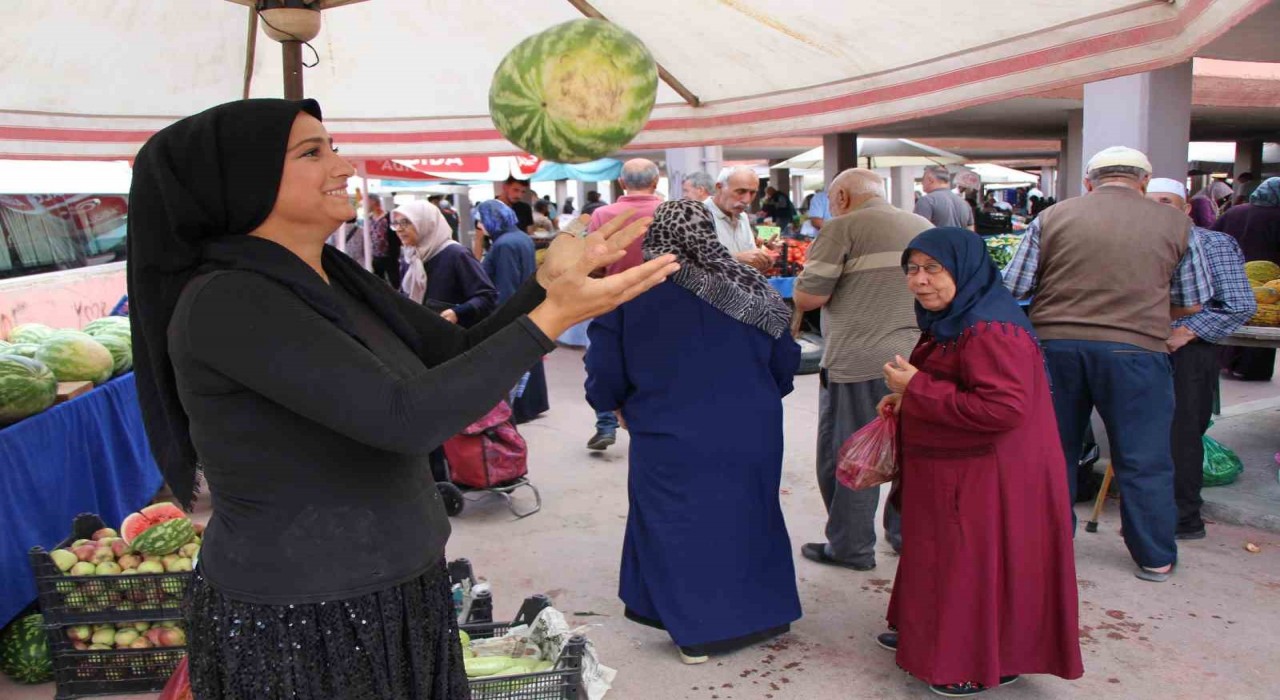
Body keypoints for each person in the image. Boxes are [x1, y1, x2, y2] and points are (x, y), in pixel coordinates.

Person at [126, 98, 679, 700]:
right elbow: (403, 417)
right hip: (305, 611)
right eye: (313, 152)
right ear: (237, 182)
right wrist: (550, 320)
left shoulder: (330, 274)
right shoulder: (228, 300)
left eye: (332, 145)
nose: (343, 165)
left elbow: (455, 352)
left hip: (393, 584)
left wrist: (545, 288)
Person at [585, 199, 801, 666]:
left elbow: (603, 366)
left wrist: (614, 404)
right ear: (710, 233)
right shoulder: (751, 287)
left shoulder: (632, 292)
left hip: (669, 430)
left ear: (655, 238)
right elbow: (786, 361)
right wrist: (754, 399)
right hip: (751, 429)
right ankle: (765, 615)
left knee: (680, 525)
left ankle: (699, 632)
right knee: (749, 516)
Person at [876, 227, 1083, 697]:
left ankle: (977, 660)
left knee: (970, 563)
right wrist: (907, 401)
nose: (920, 281)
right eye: (912, 270)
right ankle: (931, 634)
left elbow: (1003, 408)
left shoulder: (991, 329)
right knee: (943, 557)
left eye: (933, 269)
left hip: (990, 474)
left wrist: (918, 389)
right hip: (958, 464)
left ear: (965, 271)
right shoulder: (959, 316)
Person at [1004, 146, 1212, 582]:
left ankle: (1048, 547)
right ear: (1143, 183)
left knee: (1050, 451)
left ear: (1088, 182)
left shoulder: (1052, 216)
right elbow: (1192, 301)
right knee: (1144, 456)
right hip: (1137, 351)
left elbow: (1016, 286)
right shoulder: (1177, 224)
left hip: (1055, 348)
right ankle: (1154, 555)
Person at [793, 168, 929, 571]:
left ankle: (851, 547)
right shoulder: (921, 224)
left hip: (858, 360)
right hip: (914, 359)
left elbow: (810, 295)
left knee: (852, 457)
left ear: (842, 198)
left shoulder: (842, 227)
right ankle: (906, 537)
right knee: (911, 453)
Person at [1146, 178, 1256, 540]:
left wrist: (1186, 332)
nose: (1158, 207)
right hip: (1142, 347)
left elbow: (1239, 304)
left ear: (1186, 208)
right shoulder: (1137, 243)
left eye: (1166, 200)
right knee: (1144, 433)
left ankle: (1183, 518)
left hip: (1188, 352)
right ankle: (1148, 512)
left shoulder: (1213, 244)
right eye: (1151, 201)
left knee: (1181, 435)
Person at [581, 159, 667, 451]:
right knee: (658, 360)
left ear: (621, 183)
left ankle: (606, 422)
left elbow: (591, 265)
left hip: (613, 299)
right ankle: (652, 419)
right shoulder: (670, 212)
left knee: (605, 360)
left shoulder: (602, 215)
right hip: (664, 301)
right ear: (656, 182)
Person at [480, 199, 551, 423]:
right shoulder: (520, 237)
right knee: (530, 357)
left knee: (517, 362)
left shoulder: (504, 245)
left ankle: (520, 407)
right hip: (527, 306)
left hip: (513, 311)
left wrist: (500, 319)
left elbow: (506, 285)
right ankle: (533, 403)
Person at [1214, 177, 1280, 381]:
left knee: (1233, 318)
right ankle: (1251, 369)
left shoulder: (1235, 212)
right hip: (1266, 282)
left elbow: (1211, 236)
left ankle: (1225, 364)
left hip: (1229, 276)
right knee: (1261, 319)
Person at [393, 200, 497, 328]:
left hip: (453, 337)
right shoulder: (410, 257)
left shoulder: (456, 254)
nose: (398, 229)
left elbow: (487, 297)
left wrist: (457, 313)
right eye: (396, 223)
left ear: (426, 223)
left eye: (406, 222)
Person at [708, 167, 772, 272]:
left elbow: (749, 257)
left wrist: (761, 258)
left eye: (752, 193)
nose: (746, 200)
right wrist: (737, 258)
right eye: (740, 191)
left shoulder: (743, 217)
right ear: (719, 187)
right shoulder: (696, 216)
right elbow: (688, 265)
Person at [913, 166, 975, 230]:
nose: (922, 183)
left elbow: (918, 230)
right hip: (960, 239)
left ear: (930, 180)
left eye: (923, 179)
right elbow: (971, 231)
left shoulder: (926, 201)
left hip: (936, 239)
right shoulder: (964, 203)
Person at [366, 193, 401, 287]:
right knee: (378, 282)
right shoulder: (369, 219)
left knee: (394, 280)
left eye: (367, 202)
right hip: (376, 256)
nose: (364, 205)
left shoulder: (389, 217)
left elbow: (396, 235)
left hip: (390, 255)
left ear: (373, 202)